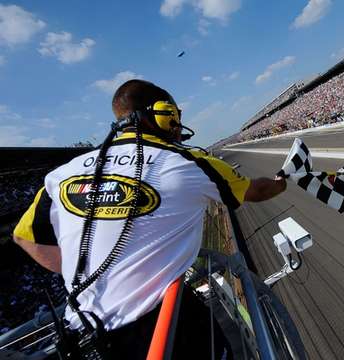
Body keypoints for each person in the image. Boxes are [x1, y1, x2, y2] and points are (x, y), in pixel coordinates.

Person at [12, 79, 287, 359]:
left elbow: (23, 236)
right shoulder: (186, 161)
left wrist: (83, 265)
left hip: (82, 333)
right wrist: (282, 181)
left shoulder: (62, 173)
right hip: (163, 328)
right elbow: (259, 189)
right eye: (175, 115)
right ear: (164, 114)